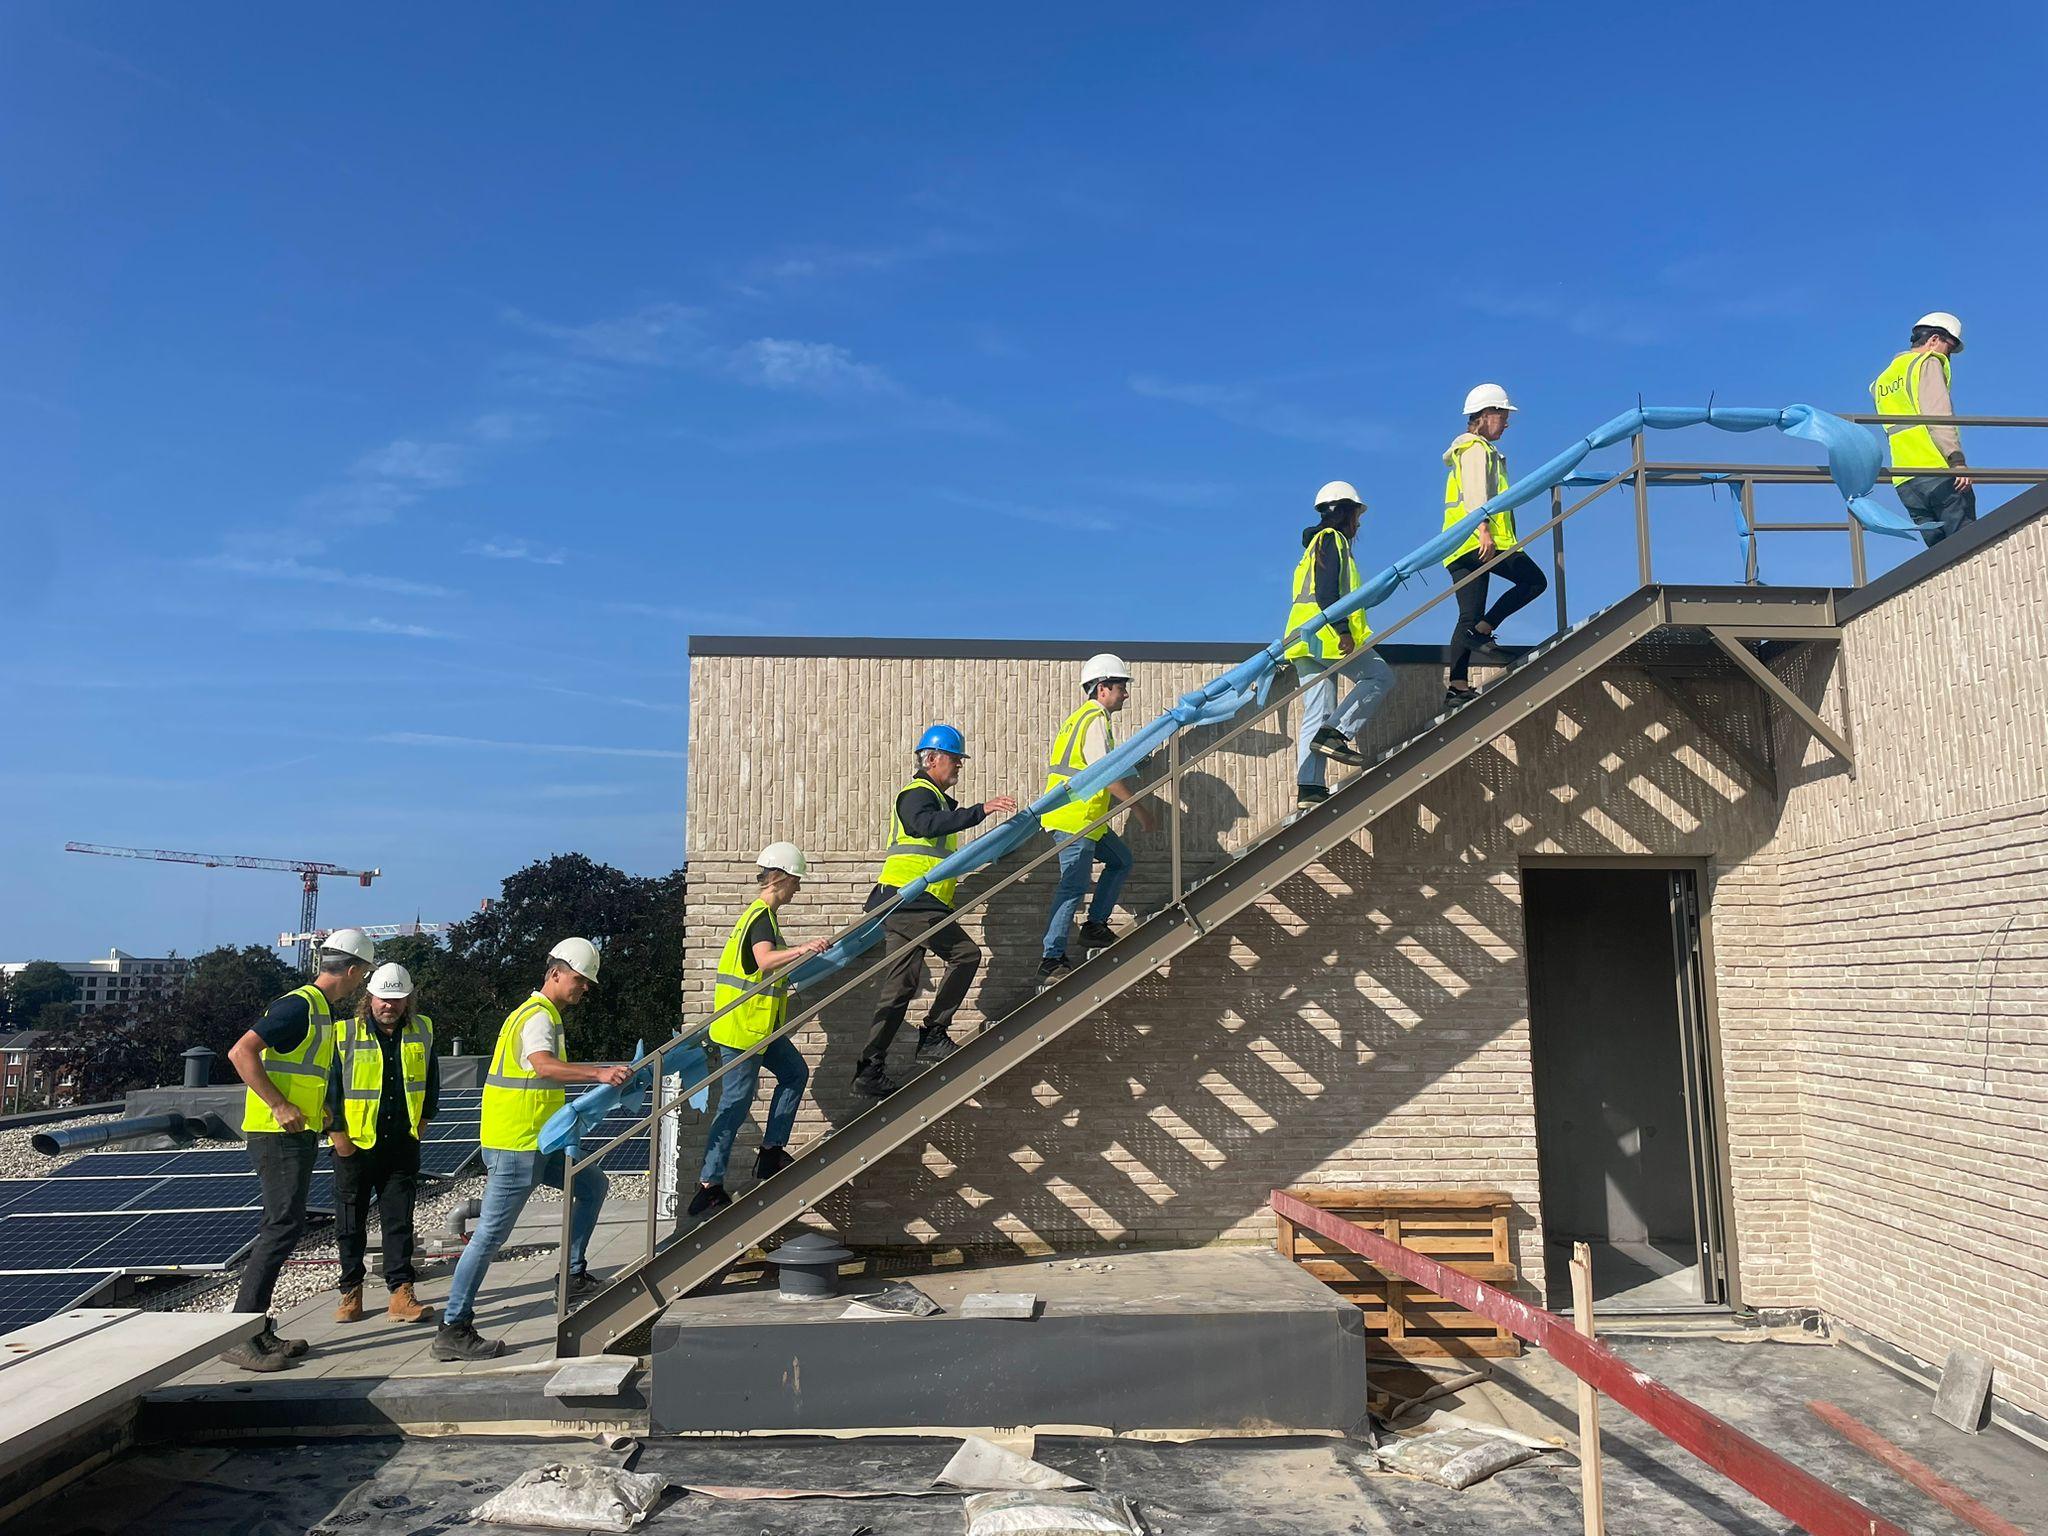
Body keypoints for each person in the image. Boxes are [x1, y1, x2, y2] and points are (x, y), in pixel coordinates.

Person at [434, 938, 631, 1361]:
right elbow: (543, 1066)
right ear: (556, 973)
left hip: (538, 1142)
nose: (584, 988)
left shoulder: (541, 1015)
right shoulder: (538, 1017)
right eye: (579, 980)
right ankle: (453, 1327)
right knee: (489, 1235)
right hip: (517, 1145)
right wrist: (598, 1074)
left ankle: (572, 1275)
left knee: (593, 1184)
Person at [217, 927, 375, 1373]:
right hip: (276, 1132)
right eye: (362, 974)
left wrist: (320, 1110)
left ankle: (257, 1330)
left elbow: (307, 1071)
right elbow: (241, 1052)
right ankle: (241, 1333)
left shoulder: (318, 1011)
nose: (361, 983)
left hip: (296, 1132)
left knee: (285, 1225)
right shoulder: (300, 1006)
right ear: (351, 970)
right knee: (281, 1226)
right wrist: (280, 1104)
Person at [857, 725, 1018, 1097]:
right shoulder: (917, 795)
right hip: (911, 902)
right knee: (965, 954)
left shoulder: (939, 802)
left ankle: (869, 1070)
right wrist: (980, 811)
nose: (959, 767)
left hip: (904, 905)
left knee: (900, 988)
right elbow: (922, 825)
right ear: (931, 759)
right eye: (954, 759)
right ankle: (933, 1034)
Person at [688, 842, 829, 1218]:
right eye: (796, 881)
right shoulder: (761, 917)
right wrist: (803, 949)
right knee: (734, 1105)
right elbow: (764, 960)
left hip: (760, 1031)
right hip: (743, 1032)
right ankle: (709, 1185)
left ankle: (770, 1153)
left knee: (795, 1072)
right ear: (781, 878)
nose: (798, 888)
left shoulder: (761, 916)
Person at [328, 962, 438, 1327]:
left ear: (407, 1000)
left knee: (399, 1222)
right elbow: (329, 1090)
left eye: (396, 999)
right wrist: (339, 1138)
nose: (388, 1005)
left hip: (401, 1144)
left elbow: (431, 1082)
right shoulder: (343, 1034)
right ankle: (351, 1292)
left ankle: (400, 1293)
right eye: (382, 998)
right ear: (369, 997)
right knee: (350, 1223)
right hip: (355, 1146)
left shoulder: (421, 1030)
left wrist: (420, 1125)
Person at [1037, 653, 1157, 990]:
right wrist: (1140, 809)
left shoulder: (1081, 719)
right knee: (1073, 887)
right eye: (1121, 686)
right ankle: (1051, 959)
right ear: (1102, 688)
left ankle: (1094, 927)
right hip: (1075, 819)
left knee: (1121, 860)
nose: (1126, 694)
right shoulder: (1093, 720)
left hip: (1088, 820)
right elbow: (1103, 774)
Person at [1283, 484, 1394, 814]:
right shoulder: (1332, 540)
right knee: (1379, 677)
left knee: (1316, 713)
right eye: (1357, 514)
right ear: (1344, 512)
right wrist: (1343, 630)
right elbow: (1328, 591)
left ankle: (1310, 787)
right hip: (1325, 633)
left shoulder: (1316, 543)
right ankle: (1336, 733)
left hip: (1303, 638)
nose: (1358, 522)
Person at [1442, 383, 1546, 710]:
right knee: (1534, 581)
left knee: (1467, 618)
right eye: (1503, 414)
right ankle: (1483, 632)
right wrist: (1484, 529)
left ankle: (1457, 685)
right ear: (1487, 415)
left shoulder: (1473, 449)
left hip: (1459, 546)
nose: (1507, 422)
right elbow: (1476, 494)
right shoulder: (1475, 449)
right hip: (1479, 541)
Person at [1871, 311, 1975, 548]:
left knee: (1938, 557)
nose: (1948, 357)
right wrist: (1957, 461)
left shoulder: (1883, 379)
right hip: (1937, 470)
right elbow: (1938, 415)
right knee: (1969, 546)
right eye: (1949, 348)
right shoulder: (1926, 362)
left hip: (1905, 480)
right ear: (1934, 339)